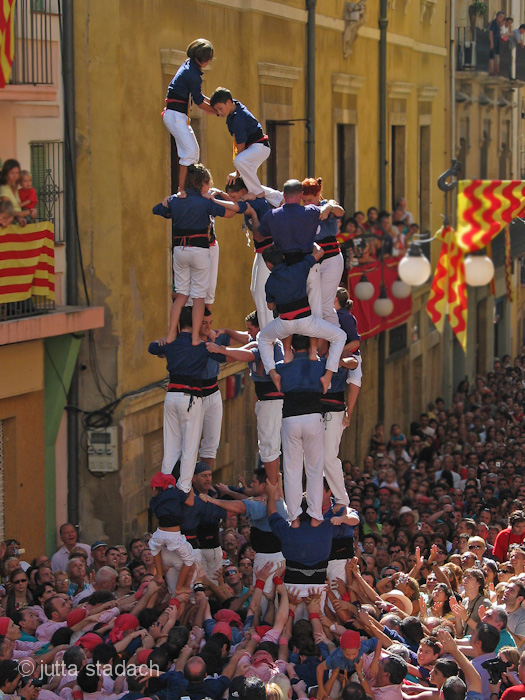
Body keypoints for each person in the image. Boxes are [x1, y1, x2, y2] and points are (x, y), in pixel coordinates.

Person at [152, 163, 249, 346]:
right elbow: (235, 209)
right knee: (198, 297)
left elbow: (157, 210)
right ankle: (196, 337)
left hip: (179, 250)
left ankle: (172, 334)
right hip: (200, 251)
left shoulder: (177, 200)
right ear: (203, 183)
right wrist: (218, 196)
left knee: (181, 295)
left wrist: (167, 200)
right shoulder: (206, 202)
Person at [148, 305, 226, 489]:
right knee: (189, 449)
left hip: (170, 397)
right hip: (190, 398)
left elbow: (152, 348)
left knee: (171, 448)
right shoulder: (201, 347)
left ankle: (165, 487)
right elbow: (223, 357)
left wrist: (163, 342)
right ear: (195, 322)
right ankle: (184, 489)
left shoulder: (170, 343)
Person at [206, 312, 284, 484]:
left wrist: (219, 349)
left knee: (268, 446)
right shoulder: (257, 340)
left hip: (272, 400)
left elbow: (248, 355)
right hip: (266, 399)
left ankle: (272, 488)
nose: (248, 333)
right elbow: (243, 343)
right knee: (269, 445)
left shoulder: (269, 344)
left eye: (251, 329)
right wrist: (224, 333)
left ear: (260, 328)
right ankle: (274, 486)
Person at [257, 245, 346, 394]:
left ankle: (273, 373)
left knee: (262, 338)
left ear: (268, 265)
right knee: (340, 336)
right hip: (306, 322)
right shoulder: (298, 269)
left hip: (284, 324)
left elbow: (271, 307)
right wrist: (311, 242)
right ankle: (328, 376)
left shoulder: (269, 283)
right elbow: (319, 252)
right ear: (283, 258)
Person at [199, 466, 288, 592]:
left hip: (268, 561)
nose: (251, 485)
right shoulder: (276, 500)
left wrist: (213, 500)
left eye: (254, 482)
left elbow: (241, 507)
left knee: (263, 599)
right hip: (274, 558)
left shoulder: (265, 504)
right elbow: (247, 500)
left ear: (264, 485)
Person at [163, 39, 216, 195]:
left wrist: (214, 104)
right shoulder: (192, 74)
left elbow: (199, 96)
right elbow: (199, 102)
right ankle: (182, 190)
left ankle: (190, 187)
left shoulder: (189, 67)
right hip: (176, 116)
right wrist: (218, 111)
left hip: (177, 116)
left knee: (194, 153)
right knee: (189, 153)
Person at [210, 87, 270, 201]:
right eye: (216, 110)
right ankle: (277, 197)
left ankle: (258, 193)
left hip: (259, 147)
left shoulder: (239, 117)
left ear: (228, 102)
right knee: (249, 181)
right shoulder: (235, 106)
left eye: (220, 109)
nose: (219, 113)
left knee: (239, 161)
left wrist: (237, 172)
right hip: (255, 148)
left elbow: (240, 146)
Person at [301, 177, 345, 326]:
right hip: (314, 261)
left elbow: (340, 211)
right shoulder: (303, 212)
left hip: (332, 260)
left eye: (310, 200)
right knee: (313, 304)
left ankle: (337, 341)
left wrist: (329, 207)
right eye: (304, 200)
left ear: (317, 195)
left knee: (326, 307)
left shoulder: (326, 206)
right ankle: (321, 343)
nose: (307, 204)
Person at [148, 472, 196, 594]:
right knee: (189, 559)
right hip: (174, 536)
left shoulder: (154, 500)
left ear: (155, 488)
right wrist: (191, 491)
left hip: (159, 533)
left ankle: (159, 574)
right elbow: (190, 502)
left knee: (154, 548)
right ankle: (179, 587)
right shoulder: (176, 493)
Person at [334, 287, 362, 422]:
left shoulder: (344, 317)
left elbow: (356, 342)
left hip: (351, 354)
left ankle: (348, 413)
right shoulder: (333, 315)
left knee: (355, 379)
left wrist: (340, 351)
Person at [489, 11, 506, 76]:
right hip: (493, 43)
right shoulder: (494, 23)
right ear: (497, 16)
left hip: (496, 43)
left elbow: (498, 34)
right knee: (492, 57)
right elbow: (490, 32)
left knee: (495, 57)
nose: (501, 18)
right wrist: (491, 43)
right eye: (500, 16)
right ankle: (492, 72)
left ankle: (495, 72)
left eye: (502, 17)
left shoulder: (498, 24)